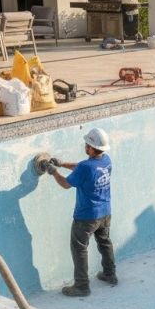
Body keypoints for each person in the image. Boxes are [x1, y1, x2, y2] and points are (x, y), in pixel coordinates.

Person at [47, 127, 117, 296]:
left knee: (79, 248)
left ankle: (82, 286)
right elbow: (82, 167)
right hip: (105, 212)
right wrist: (62, 164)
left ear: (92, 148)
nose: (85, 146)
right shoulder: (106, 160)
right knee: (105, 242)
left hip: (86, 216)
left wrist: (54, 172)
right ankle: (110, 274)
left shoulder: (86, 167)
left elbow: (65, 184)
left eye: (87, 144)